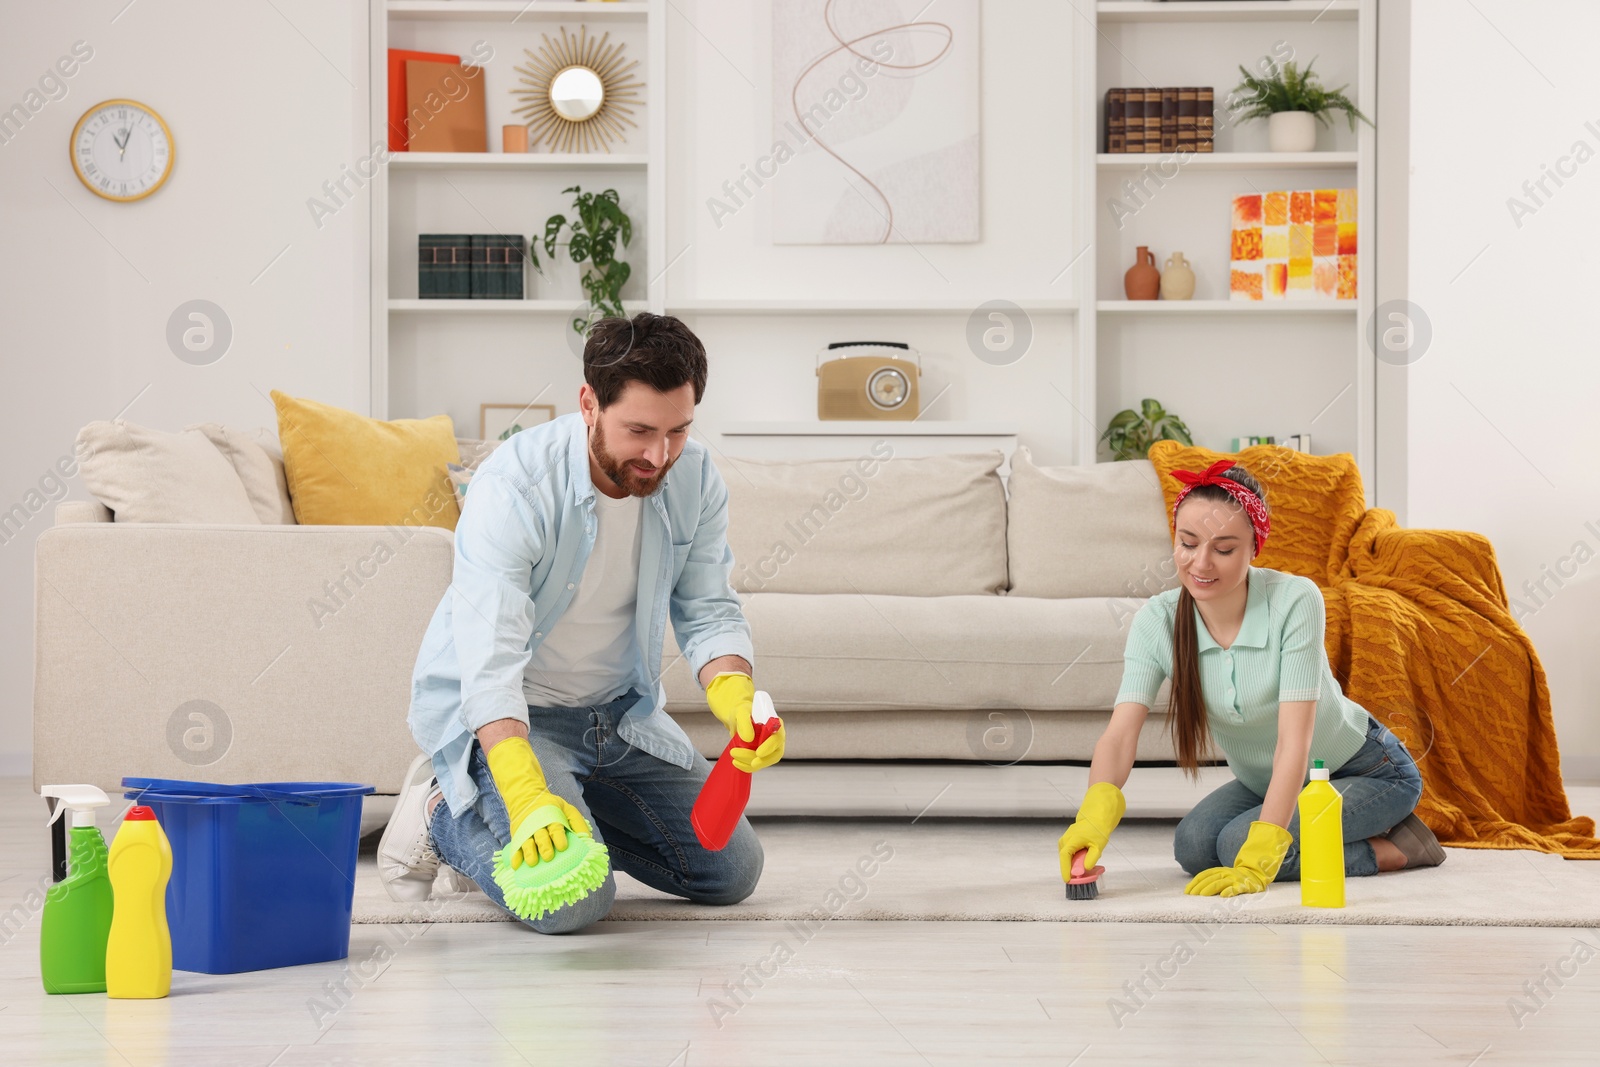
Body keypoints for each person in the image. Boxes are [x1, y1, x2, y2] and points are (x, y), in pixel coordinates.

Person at [379, 312, 783, 931]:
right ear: (589, 403)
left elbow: (708, 608)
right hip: (519, 720)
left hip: (620, 718)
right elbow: (489, 659)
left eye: (677, 430)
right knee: (574, 903)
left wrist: (735, 698)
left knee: (728, 871)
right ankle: (441, 812)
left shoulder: (695, 476)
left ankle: (572, 821)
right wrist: (523, 789)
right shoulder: (514, 487)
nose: (659, 455)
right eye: (640, 431)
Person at [1058, 460, 1445, 897]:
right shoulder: (1158, 620)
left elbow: (1293, 741)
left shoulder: (1295, 600)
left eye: (1224, 549)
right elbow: (1119, 735)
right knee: (1194, 846)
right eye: (1187, 543)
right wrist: (1092, 814)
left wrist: (1263, 848)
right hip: (1268, 779)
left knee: (1237, 845)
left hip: (1366, 771)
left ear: (1254, 548)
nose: (1201, 563)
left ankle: (1396, 849)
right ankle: (1316, 831)